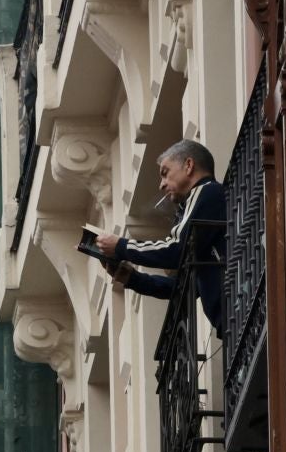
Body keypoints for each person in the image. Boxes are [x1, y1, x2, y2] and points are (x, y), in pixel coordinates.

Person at [95, 139, 227, 336]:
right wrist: (131, 278)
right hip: (231, 319)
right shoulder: (203, 200)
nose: (162, 184)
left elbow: (176, 249)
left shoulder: (206, 191)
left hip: (236, 310)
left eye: (165, 173)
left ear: (189, 165)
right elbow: (182, 287)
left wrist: (121, 246)